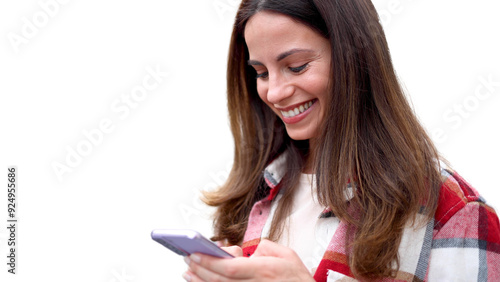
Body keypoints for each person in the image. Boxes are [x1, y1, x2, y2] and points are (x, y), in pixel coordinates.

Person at [183, 0, 500, 281]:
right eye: (262, 73)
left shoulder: (451, 213)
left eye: (296, 66)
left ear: (355, 57)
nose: (275, 92)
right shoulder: (251, 199)